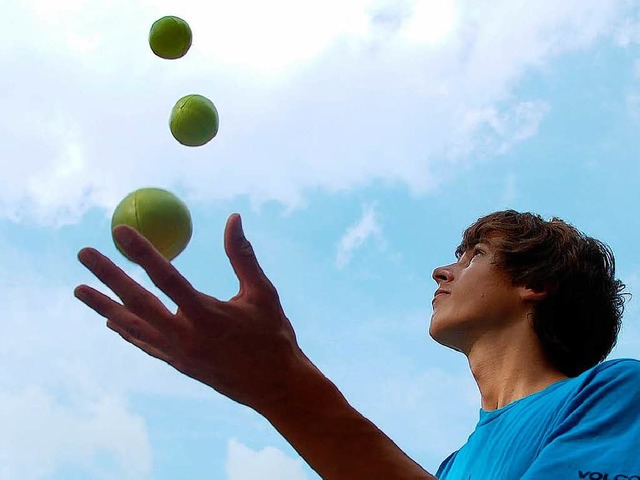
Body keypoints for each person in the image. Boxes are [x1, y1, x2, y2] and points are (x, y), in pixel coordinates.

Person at [74, 210, 640, 479]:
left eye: (472, 257)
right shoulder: (453, 468)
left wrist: (282, 387)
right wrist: (277, 387)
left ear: (534, 284)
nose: (442, 271)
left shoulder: (617, 394)